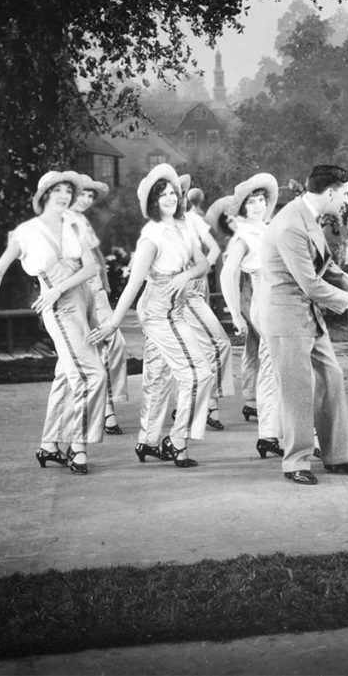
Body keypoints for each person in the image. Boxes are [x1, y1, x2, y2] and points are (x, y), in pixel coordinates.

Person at [0, 171, 107, 475]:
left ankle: (49, 444)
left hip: (82, 300)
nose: (64, 195)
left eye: (67, 191)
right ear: (43, 195)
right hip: (57, 307)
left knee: (66, 374)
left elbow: (90, 268)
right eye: (56, 190)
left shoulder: (74, 225)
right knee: (92, 375)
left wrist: (65, 289)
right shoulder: (26, 233)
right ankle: (78, 445)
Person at [259, 164, 348, 485]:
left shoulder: (306, 216)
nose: (345, 200)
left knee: (332, 377)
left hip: (307, 317)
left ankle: (339, 457)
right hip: (287, 319)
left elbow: (325, 267)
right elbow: (310, 284)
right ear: (329, 193)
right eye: (344, 194)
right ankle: (296, 462)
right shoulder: (290, 225)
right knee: (298, 390)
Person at [88, 164, 213, 468]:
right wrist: (114, 322)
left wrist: (186, 276)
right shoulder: (151, 238)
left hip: (177, 307)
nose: (170, 198)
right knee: (199, 374)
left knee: (157, 377)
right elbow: (133, 284)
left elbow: (203, 264)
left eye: (173, 192)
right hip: (159, 313)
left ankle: (148, 441)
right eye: (162, 195)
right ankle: (177, 441)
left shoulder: (185, 229)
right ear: (152, 203)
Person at [218, 174, 285, 459]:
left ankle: (269, 434)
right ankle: (292, 433)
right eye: (251, 202)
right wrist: (235, 314)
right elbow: (227, 273)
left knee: (272, 368)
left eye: (261, 200)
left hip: (281, 300)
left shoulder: (268, 228)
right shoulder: (243, 236)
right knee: (280, 366)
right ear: (243, 207)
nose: (257, 206)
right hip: (265, 300)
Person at [67, 174, 128, 437]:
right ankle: (105, 409)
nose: (86, 200)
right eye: (82, 194)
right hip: (79, 290)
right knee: (92, 347)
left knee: (115, 342)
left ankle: (108, 404)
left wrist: (104, 280)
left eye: (90, 196)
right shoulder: (63, 221)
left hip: (97, 290)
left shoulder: (82, 221)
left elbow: (96, 252)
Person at [179, 175, 233, 431]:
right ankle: (207, 404)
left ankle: (196, 404)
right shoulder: (163, 227)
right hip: (184, 294)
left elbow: (213, 251)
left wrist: (202, 268)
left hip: (197, 288)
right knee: (219, 343)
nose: (178, 198)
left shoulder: (192, 221)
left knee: (200, 349)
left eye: (181, 193)